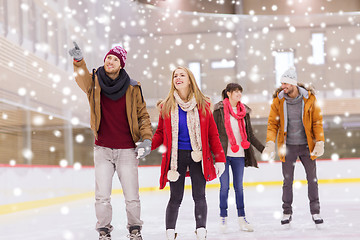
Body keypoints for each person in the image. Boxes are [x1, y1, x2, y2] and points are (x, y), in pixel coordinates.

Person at [69, 42, 152, 240]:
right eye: (108, 58)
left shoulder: (133, 87)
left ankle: (134, 228)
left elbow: (142, 115)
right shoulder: (95, 82)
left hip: (127, 150)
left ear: (121, 64)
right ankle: (104, 230)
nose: (110, 61)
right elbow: (81, 79)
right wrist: (79, 62)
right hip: (103, 149)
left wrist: (147, 138)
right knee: (102, 196)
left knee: (132, 196)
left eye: (115, 59)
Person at [151, 66, 226, 240]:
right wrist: (148, 145)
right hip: (176, 158)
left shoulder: (204, 104)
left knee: (199, 195)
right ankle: (170, 232)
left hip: (198, 157)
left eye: (182, 75)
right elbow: (160, 133)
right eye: (175, 76)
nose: (178, 78)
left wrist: (220, 159)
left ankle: (201, 230)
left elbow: (213, 135)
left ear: (190, 79)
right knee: (175, 197)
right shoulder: (167, 106)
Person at [262, 67, 325, 225]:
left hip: (306, 146)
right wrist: (270, 143)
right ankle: (286, 211)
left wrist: (320, 141)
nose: (283, 86)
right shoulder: (279, 100)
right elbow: (272, 124)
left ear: (293, 83)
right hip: (288, 146)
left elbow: (317, 122)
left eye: (286, 83)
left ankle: (315, 211)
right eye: (282, 83)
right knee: (287, 180)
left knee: (312, 179)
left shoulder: (309, 99)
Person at [213, 83, 264, 232]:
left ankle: (242, 219)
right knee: (224, 187)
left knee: (239, 188)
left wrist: (262, 149)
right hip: (223, 155)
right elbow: (213, 134)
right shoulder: (219, 111)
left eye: (240, 91)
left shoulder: (244, 111)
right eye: (235, 91)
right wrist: (212, 155)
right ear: (228, 93)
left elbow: (250, 135)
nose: (238, 94)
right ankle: (223, 218)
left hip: (239, 155)